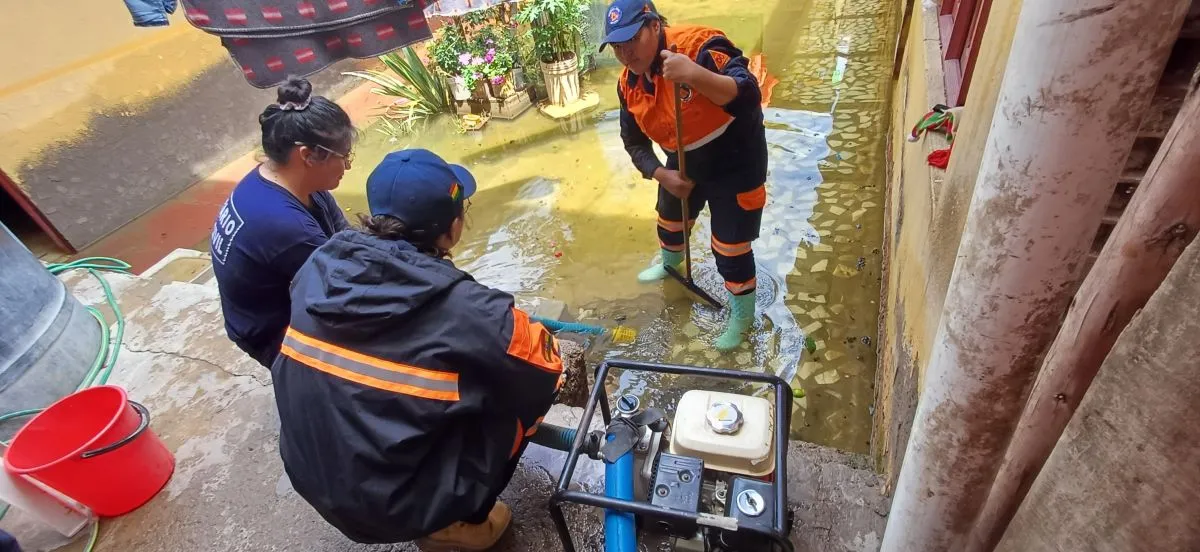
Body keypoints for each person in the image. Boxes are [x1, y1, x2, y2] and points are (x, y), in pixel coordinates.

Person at [270, 149, 563, 551]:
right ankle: (456, 524)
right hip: (395, 510)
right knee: (524, 396)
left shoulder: (316, 266)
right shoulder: (475, 311)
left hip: (310, 476)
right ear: (452, 228)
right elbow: (547, 366)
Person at [603, 0, 769, 351]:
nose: (625, 53)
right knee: (670, 220)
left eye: (632, 40)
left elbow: (749, 94)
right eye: (616, 46)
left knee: (730, 247)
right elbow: (633, 142)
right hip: (682, 158)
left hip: (735, 158)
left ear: (654, 25)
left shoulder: (701, 47)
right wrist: (662, 174)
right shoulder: (627, 83)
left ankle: (742, 317)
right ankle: (672, 267)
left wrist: (694, 74)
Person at [210, 76, 355, 367]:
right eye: (344, 156)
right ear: (308, 156)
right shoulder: (285, 225)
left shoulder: (289, 182)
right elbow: (348, 286)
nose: (349, 165)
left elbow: (344, 234)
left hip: (276, 304)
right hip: (273, 336)